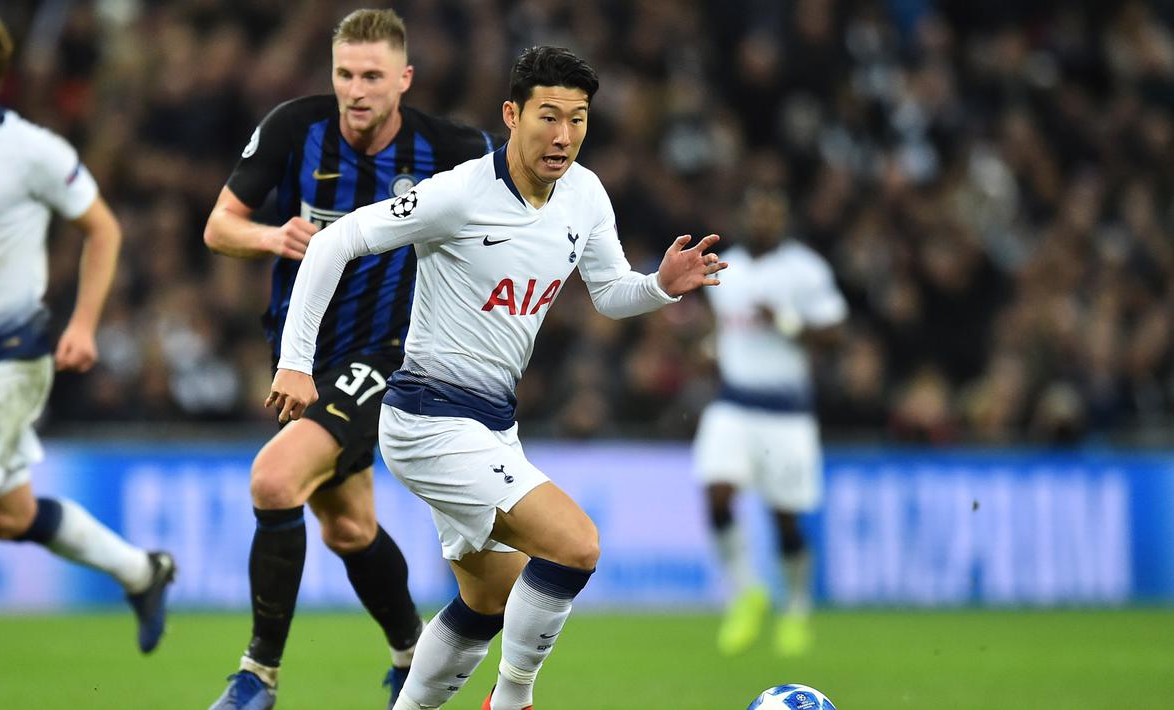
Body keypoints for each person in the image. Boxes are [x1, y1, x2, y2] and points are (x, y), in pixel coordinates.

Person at [268, 45, 728, 710]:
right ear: (511, 115)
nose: (563, 135)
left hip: (492, 427)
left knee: (485, 600)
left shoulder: (584, 195)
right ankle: (511, 700)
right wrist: (294, 360)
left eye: (577, 119)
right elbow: (338, 241)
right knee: (575, 544)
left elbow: (607, 292)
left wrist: (658, 286)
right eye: (547, 116)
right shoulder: (459, 195)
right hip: (426, 420)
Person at [202, 9, 494, 710]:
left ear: (404, 80)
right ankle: (413, 660)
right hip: (301, 354)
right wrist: (274, 238)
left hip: (391, 352)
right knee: (348, 526)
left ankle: (256, 677)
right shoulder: (294, 129)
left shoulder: (450, 148)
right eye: (343, 74)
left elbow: (519, 213)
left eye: (371, 76)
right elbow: (218, 227)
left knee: (274, 483)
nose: (355, 90)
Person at [0, 3, 174, 651]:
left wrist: (84, 324)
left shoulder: (31, 151)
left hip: (6, 361)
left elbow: (102, 226)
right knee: (12, 518)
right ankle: (142, 570)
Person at [692, 186, 846, 657]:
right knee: (717, 495)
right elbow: (721, 328)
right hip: (734, 403)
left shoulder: (805, 270)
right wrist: (709, 351)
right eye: (756, 212)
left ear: (783, 220)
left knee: (785, 520)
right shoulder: (725, 267)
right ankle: (746, 593)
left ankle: (796, 608)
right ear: (744, 216)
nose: (763, 221)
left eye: (771, 214)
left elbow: (836, 336)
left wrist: (787, 322)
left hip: (787, 412)